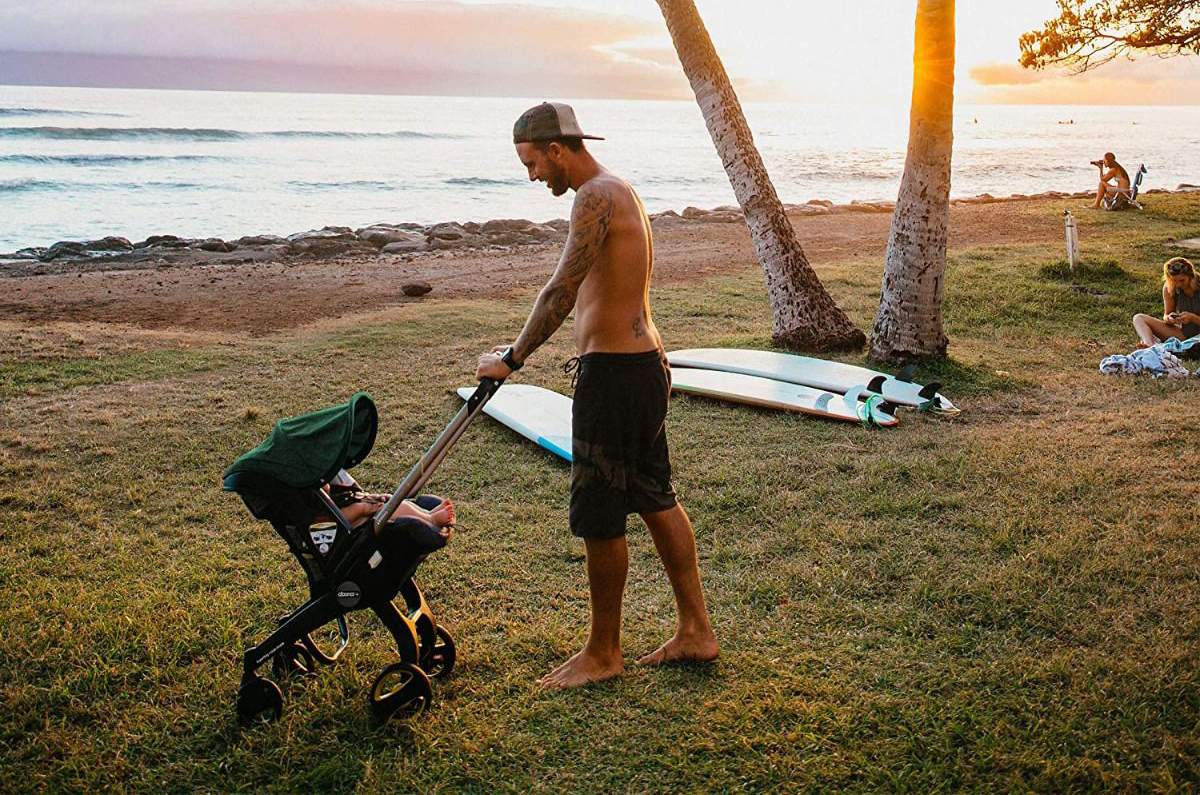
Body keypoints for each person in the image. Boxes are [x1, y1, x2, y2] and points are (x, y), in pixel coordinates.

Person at [475, 102, 718, 689]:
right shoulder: (619, 189)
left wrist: (511, 358)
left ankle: (604, 653)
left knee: (600, 513)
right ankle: (696, 632)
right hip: (639, 368)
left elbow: (562, 289)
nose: (534, 176)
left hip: (615, 378)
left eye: (533, 163)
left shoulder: (594, 196)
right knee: (654, 495)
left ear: (557, 149)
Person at [1132, 257, 1200, 347]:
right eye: (1174, 281)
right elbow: (1166, 314)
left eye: (1182, 280)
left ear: (1190, 275)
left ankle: (1189, 347)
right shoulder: (1170, 287)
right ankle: (1149, 346)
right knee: (1138, 318)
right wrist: (1169, 318)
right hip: (1184, 334)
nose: (1178, 284)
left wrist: (1192, 318)